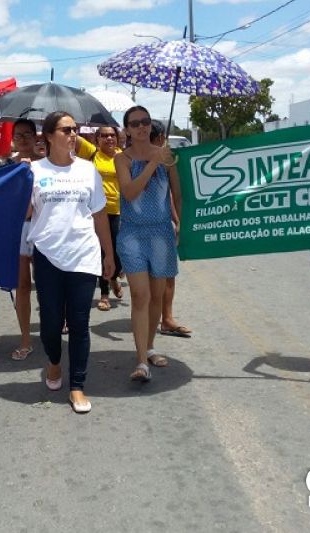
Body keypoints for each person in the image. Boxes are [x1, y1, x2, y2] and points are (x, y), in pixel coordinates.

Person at [28, 111, 114, 414]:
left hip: (83, 255)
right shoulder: (34, 171)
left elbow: (100, 214)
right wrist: (18, 180)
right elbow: (25, 214)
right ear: (49, 136)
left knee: (80, 324)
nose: (73, 134)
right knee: (51, 324)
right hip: (48, 256)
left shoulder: (88, 170)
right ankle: (53, 362)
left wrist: (108, 254)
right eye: (66, 130)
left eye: (75, 129)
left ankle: (77, 385)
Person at [114, 106, 178, 382]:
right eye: (135, 123)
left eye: (146, 121)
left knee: (156, 295)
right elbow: (129, 193)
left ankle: (149, 346)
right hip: (132, 234)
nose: (142, 126)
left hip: (161, 233)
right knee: (140, 295)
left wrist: (182, 224)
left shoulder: (168, 157)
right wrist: (153, 162)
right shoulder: (122, 159)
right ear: (127, 129)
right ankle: (141, 362)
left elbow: (178, 193)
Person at [0, 118, 43, 359]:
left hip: (46, 230)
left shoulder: (49, 164)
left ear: (37, 137)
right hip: (19, 229)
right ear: (12, 138)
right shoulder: (5, 166)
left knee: (48, 284)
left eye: (27, 134)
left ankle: (54, 327)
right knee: (22, 285)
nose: (23, 139)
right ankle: (25, 339)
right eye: (18, 135)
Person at [149, 120, 192, 338]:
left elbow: (175, 195)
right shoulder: (131, 160)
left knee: (168, 275)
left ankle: (167, 319)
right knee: (148, 280)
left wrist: (178, 221)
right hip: (139, 229)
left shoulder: (169, 163)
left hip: (164, 226)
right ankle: (148, 323)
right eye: (161, 138)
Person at [76, 125, 124, 311]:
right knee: (102, 253)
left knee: (118, 252)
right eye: (104, 135)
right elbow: (77, 139)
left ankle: (113, 277)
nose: (109, 138)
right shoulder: (93, 153)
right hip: (97, 211)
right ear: (97, 139)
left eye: (112, 135)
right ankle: (104, 295)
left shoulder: (123, 156)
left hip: (120, 211)